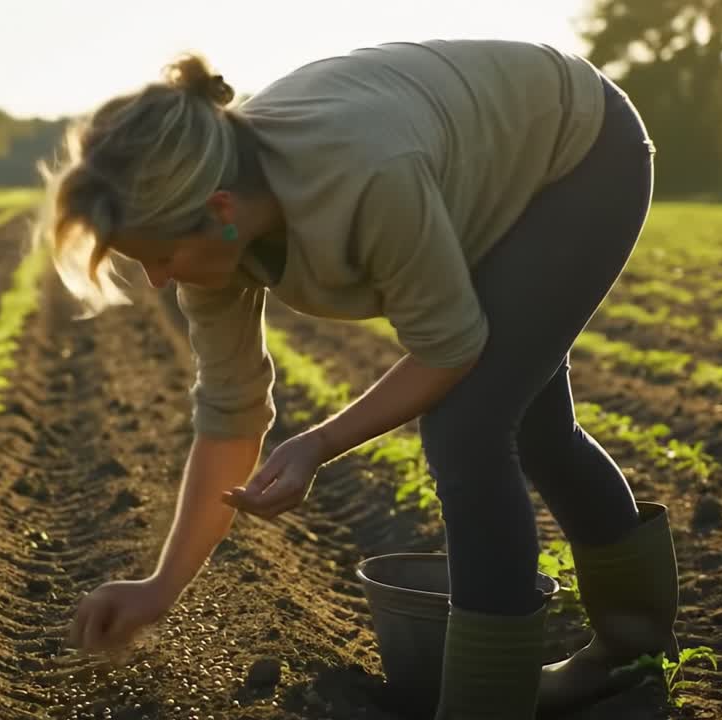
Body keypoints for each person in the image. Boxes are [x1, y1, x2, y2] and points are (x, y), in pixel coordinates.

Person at [38, 37, 679, 719]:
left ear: (220, 212)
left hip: (576, 153)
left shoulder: (363, 175)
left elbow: (448, 350)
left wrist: (316, 443)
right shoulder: (216, 246)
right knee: (536, 428)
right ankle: (631, 658)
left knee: (470, 429)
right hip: (472, 177)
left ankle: (500, 702)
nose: (160, 280)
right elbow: (230, 416)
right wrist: (160, 588)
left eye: (162, 257)